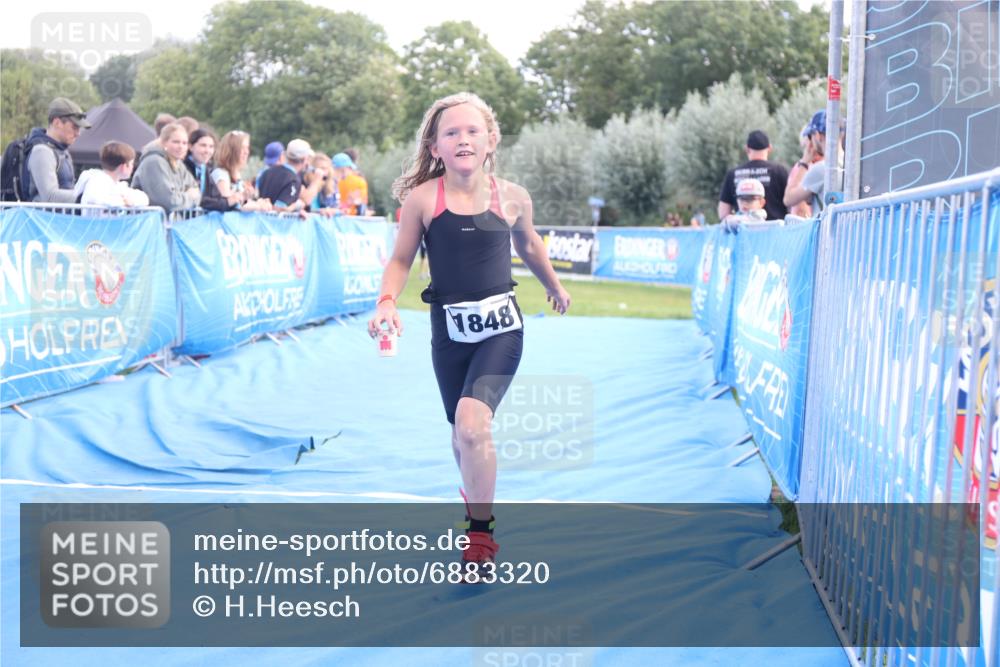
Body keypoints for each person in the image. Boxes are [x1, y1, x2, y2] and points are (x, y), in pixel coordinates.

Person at [367, 92, 571, 577]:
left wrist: (555, 286)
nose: (463, 139)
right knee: (462, 435)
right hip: (449, 332)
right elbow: (400, 260)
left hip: (502, 328)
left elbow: (530, 245)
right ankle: (474, 490)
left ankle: (480, 537)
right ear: (435, 147)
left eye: (472, 130)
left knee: (474, 424)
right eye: (451, 133)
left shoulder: (512, 197)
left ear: (491, 140)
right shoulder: (423, 200)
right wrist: (387, 301)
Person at [24, 97, 92, 203]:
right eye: (74, 127)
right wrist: (88, 197)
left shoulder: (62, 151)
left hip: (55, 218)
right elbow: (50, 196)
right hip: (42, 218)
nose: (78, 133)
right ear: (57, 123)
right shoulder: (42, 151)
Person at [718, 130, 788, 222]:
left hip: (744, 234)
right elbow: (792, 205)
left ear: (747, 149)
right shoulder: (779, 170)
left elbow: (723, 213)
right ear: (770, 148)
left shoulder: (733, 174)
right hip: (775, 232)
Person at [131, 122, 201, 212]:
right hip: (151, 222)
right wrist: (190, 197)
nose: (181, 147)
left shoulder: (179, 164)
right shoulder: (154, 162)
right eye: (176, 142)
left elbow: (197, 191)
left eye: (184, 143)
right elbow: (169, 202)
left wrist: (185, 197)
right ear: (164, 143)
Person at [73, 141, 149, 208]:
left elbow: (144, 198)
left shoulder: (117, 185)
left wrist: (130, 201)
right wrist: (124, 202)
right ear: (124, 167)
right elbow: (99, 199)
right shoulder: (96, 181)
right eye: (131, 163)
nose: (133, 167)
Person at [212, 130, 271, 212]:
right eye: (242, 148)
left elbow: (242, 203)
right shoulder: (221, 174)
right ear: (231, 151)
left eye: (247, 148)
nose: (246, 152)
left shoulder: (237, 174)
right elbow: (229, 204)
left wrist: (258, 203)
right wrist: (258, 206)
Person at [784, 110, 827, 217]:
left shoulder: (820, 169)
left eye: (810, 136)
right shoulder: (850, 163)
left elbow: (789, 199)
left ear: (817, 135)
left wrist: (804, 163)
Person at [257, 138, 313, 212]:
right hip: (275, 222)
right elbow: (279, 209)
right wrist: (297, 205)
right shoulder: (293, 180)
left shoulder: (267, 172)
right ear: (305, 159)